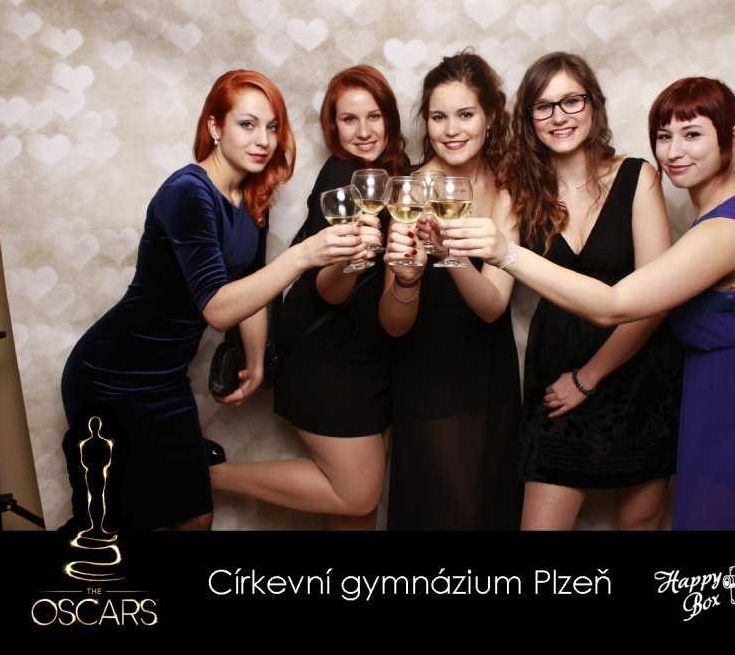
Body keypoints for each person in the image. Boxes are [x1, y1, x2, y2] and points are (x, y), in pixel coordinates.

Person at [443, 76, 735, 531]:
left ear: (732, 137)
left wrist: (507, 253)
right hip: (719, 386)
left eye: (693, 134)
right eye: (664, 136)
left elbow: (616, 304)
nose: (674, 152)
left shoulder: (727, 228)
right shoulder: (730, 204)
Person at [61, 70, 368, 531]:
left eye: (272, 127)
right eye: (247, 124)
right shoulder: (188, 192)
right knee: (133, 521)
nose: (263, 140)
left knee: (196, 515)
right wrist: (304, 255)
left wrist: (256, 362)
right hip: (110, 377)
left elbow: (251, 287)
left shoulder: (251, 196)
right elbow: (218, 308)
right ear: (214, 127)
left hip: (166, 379)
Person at [211, 66, 408, 528]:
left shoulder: (398, 175)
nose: (363, 131)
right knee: (357, 493)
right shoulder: (343, 174)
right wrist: (348, 260)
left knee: (355, 515)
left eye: (374, 116)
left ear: (390, 118)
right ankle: (206, 476)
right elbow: (327, 289)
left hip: (370, 357)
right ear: (333, 127)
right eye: (349, 119)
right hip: (327, 357)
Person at [500, 53, 681, 530]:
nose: (558, 116)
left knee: (639, 522)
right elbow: (491, 287)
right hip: (557, 370)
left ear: (594, 105)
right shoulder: (519, 191)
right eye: (543, 106)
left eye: (571, 101)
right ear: (529, 118)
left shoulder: (638, 176)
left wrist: (588, 378)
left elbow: (656, 298)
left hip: (637, 367)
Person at [382, 52, 521, 529]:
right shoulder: (412, 190)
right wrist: (408, 278)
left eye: (465, 114)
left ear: (491, 117)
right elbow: (393, 324)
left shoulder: (507, 187)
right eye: (439, 117)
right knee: (450, 515)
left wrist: (452, 255)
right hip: (431, 378)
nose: (452, 129)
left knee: (492, 512)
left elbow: (493, 307)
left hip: (492, 374)